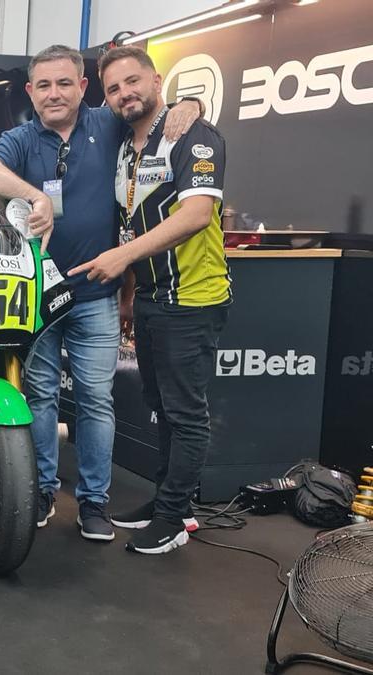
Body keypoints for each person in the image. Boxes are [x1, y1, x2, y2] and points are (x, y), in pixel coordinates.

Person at [0, 44, 201, 542]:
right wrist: (33, 195)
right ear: (31, 92)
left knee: (97, 399)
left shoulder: (109, 124)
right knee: (40, 396)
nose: (54, 94)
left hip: (97, 292)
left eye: (64, 83)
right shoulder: (21, 137)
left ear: (82, 86)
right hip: (38, 294)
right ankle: (42, 489)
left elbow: (153, 114)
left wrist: (191, 105)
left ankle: (94, 501)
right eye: (44, 85)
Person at [70, 46, 229, 555]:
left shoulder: (192, 133)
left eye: (133, 82)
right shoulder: (124, 146)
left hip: (194, 296)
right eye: (114, 88)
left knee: (186, 413)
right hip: (153, 297)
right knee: (160, 406)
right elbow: (132, 218)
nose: (124, 94)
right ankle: (168, 501)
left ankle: (177, 516)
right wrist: (129, 295)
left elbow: (196, 214)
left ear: (156, 80)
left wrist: (121, 258)